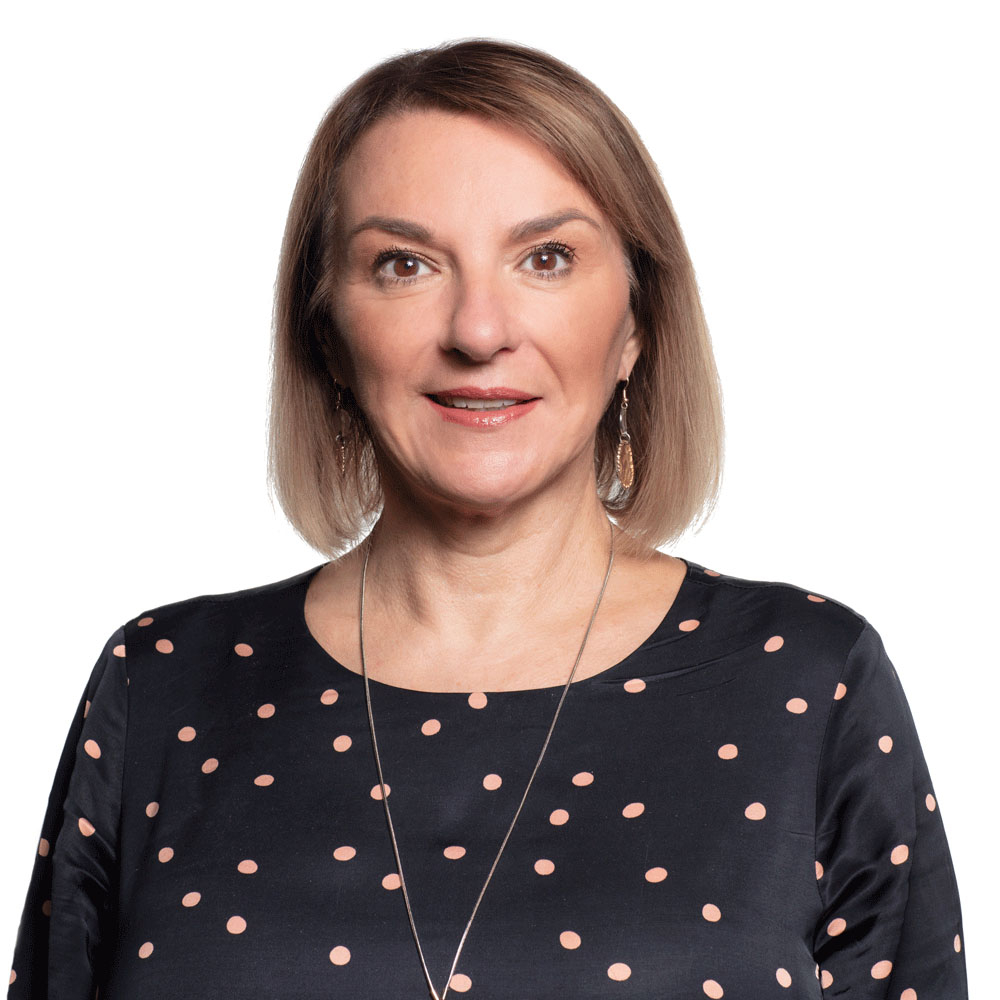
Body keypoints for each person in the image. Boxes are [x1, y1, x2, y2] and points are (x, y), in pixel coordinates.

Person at [7, 39, 967, 1000]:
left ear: (637, 322)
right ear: (326, 331)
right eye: (405, 264)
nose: (477, 330)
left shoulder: (809, 682)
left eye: (546, 258)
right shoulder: (161, 685)